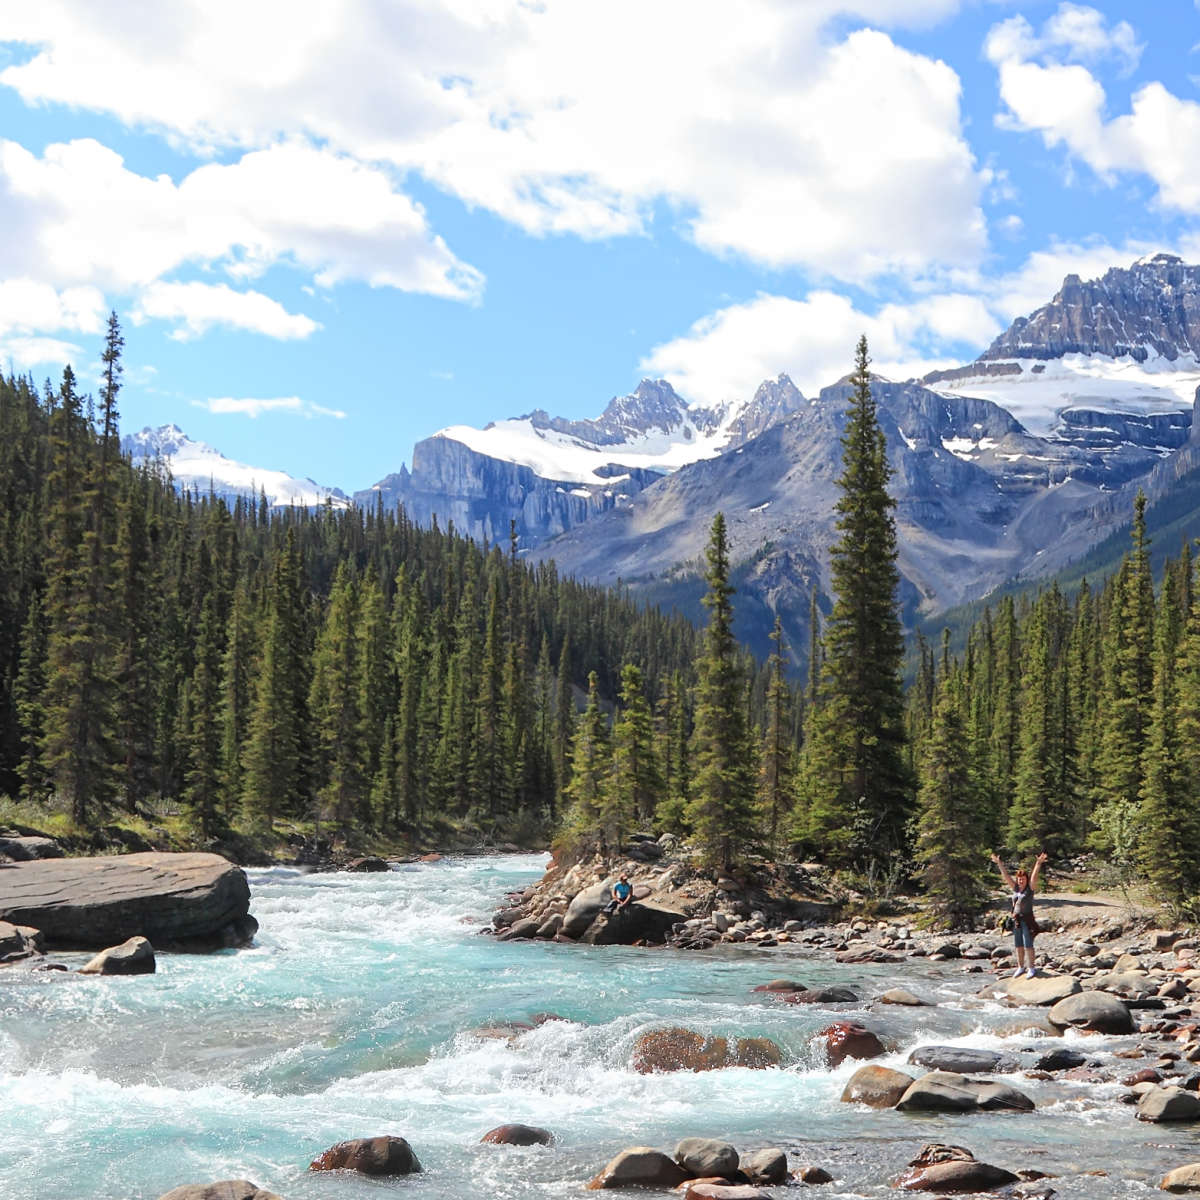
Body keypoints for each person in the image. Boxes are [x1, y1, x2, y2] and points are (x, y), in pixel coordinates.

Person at [989, 850, 1048, 978]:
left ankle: (1031, 968)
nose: (1021, 881)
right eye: (1019, 879)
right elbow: (1006, 877)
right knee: (1018, 945)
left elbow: (1034, 877)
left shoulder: (1030, 889)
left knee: (1028, 944)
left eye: (1023, 879)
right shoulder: (1015, 888)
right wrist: (999, 863)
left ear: (1026, 880)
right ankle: (1021, 967)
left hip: (1027, 919)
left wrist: (1038, 863)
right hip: (1016, 920)